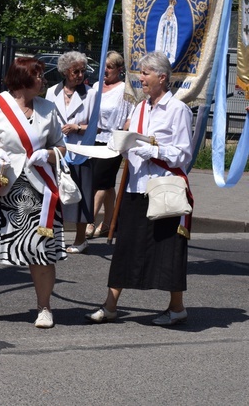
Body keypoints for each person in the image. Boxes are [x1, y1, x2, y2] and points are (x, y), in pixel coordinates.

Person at [85, 51, 193, 326]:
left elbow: (183, 154)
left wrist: (153, 150)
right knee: (126, 247)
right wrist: (121, 146)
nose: (140, 78)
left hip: (162, 188)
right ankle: (110, 306)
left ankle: (177, 307)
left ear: (162, 77)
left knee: (168, 248)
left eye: (145, 73)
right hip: (134, 187)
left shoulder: (177, 109)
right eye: (140, 73)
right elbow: (131, 143)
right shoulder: (140, 107)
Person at [0, 57, 66, 328]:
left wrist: (49, 154)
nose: (43, 80)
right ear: (22, 79)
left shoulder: (48, 109)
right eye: (38, 75)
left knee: (40, 251)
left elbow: (61, 147)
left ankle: (44, 308)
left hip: (38, 189)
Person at [45, 51, 94, 254]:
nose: (80, 75)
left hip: (80, 152)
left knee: (81, 196)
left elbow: (97, 126)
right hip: (57, 151)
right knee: (55, 195)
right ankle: (54, 236)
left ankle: (81, 239)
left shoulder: (91, 94)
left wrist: (78, 128)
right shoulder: (51, 92)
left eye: (83, 71)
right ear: (65, 71)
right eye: (76, 71)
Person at [85, 51, 133, 239]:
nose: (105, 70)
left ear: (119, 70)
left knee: (99, 181)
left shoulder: (124, 89)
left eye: (110, 67)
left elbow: (130, 112)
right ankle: (110, 222)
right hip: (94, 138)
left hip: (114, 140)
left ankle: (89, 220)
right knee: (106, 182)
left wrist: (125, 130)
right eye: (104, 66)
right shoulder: (97, 86)